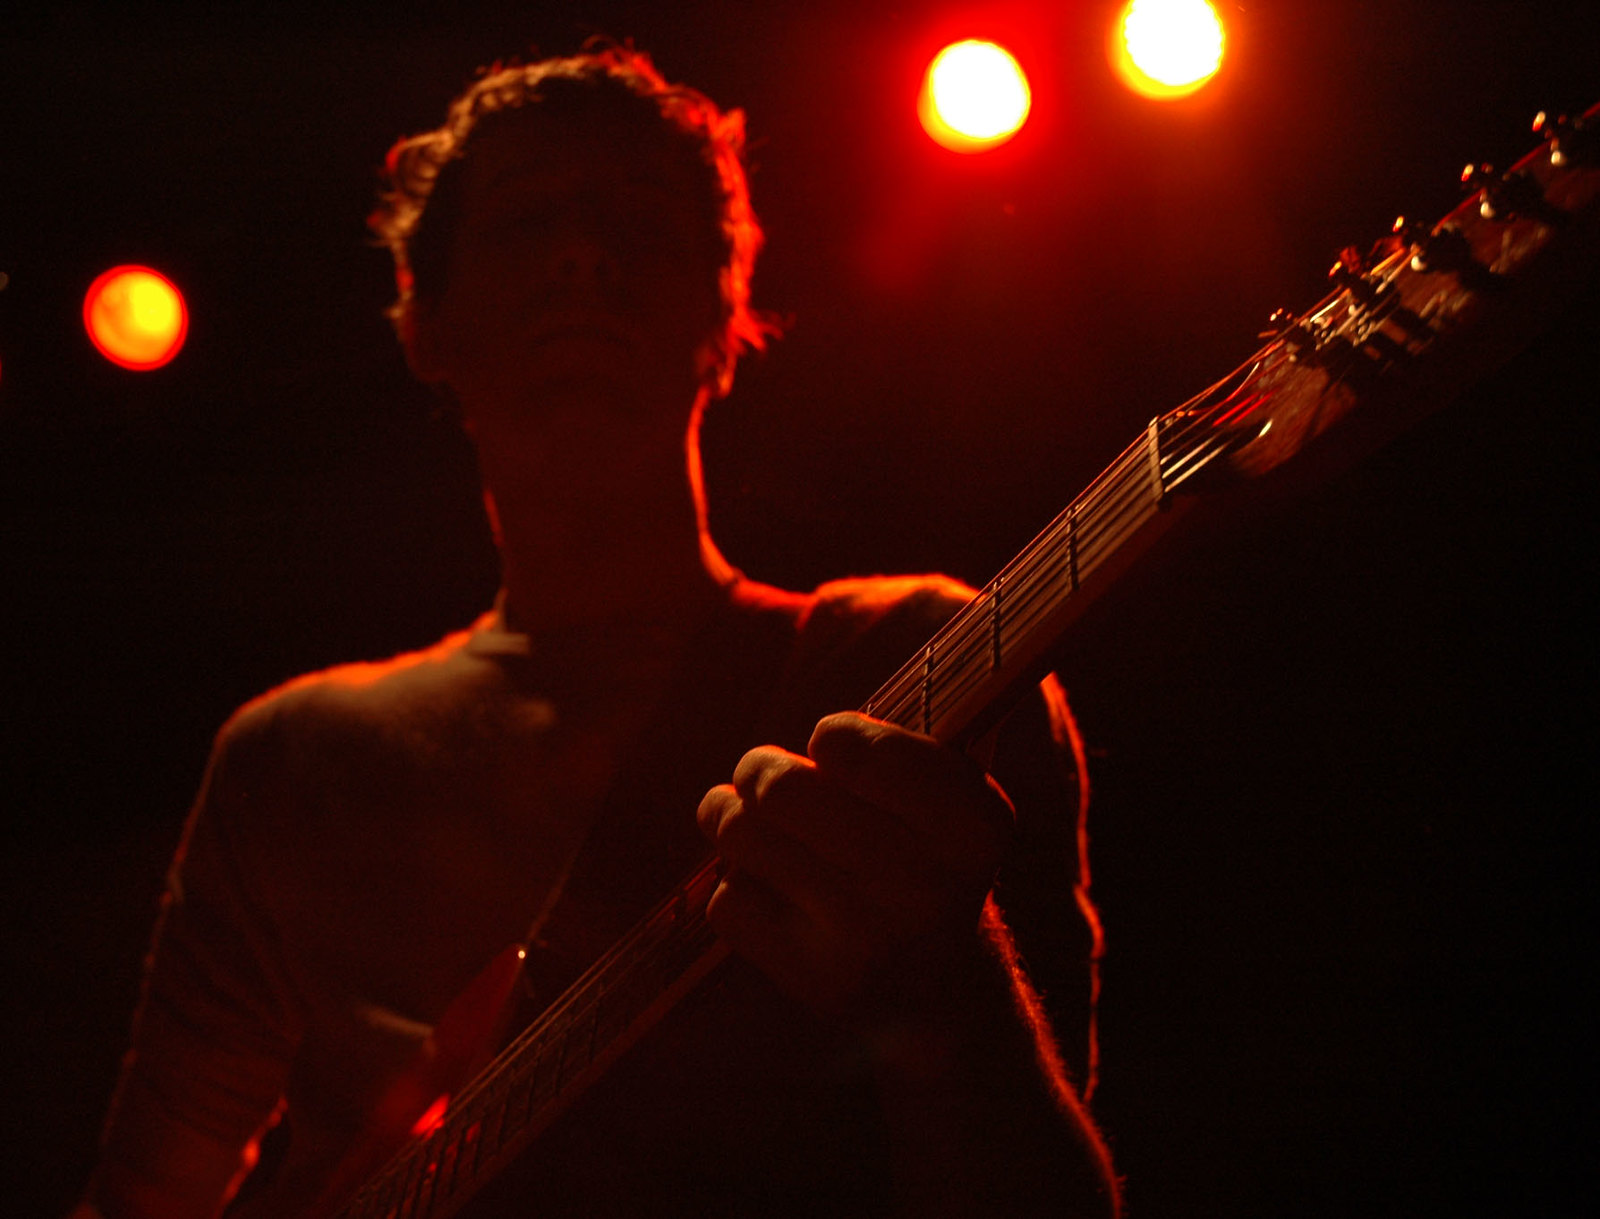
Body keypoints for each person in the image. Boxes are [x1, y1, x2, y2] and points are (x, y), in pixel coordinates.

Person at [76, 45, 1120, 1218]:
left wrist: (952, 992)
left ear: (722, 309)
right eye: (526, 223)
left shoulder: (912, 665)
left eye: (637, 218)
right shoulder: (287, 762)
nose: (583, 254)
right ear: (424, 319)